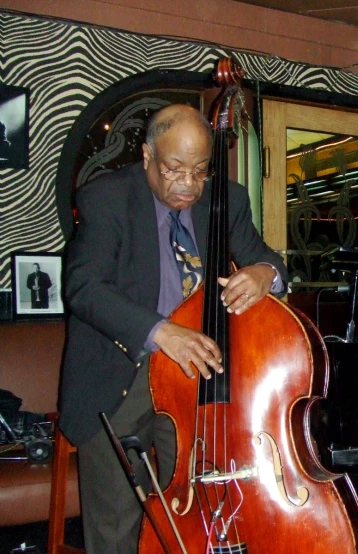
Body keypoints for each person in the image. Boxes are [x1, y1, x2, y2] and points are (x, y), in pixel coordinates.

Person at [58, 104, 287, 554]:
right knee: (119, 523)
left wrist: (265, 273)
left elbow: (269, 259)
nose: (188, 184)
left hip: (194, 378)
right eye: (174, 169)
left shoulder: (228, 199)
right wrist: (160, 331)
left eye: (200, 171)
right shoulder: (106, 198)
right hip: (120, 371)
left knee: (195, 507)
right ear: (147, 156)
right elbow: (83, 288)